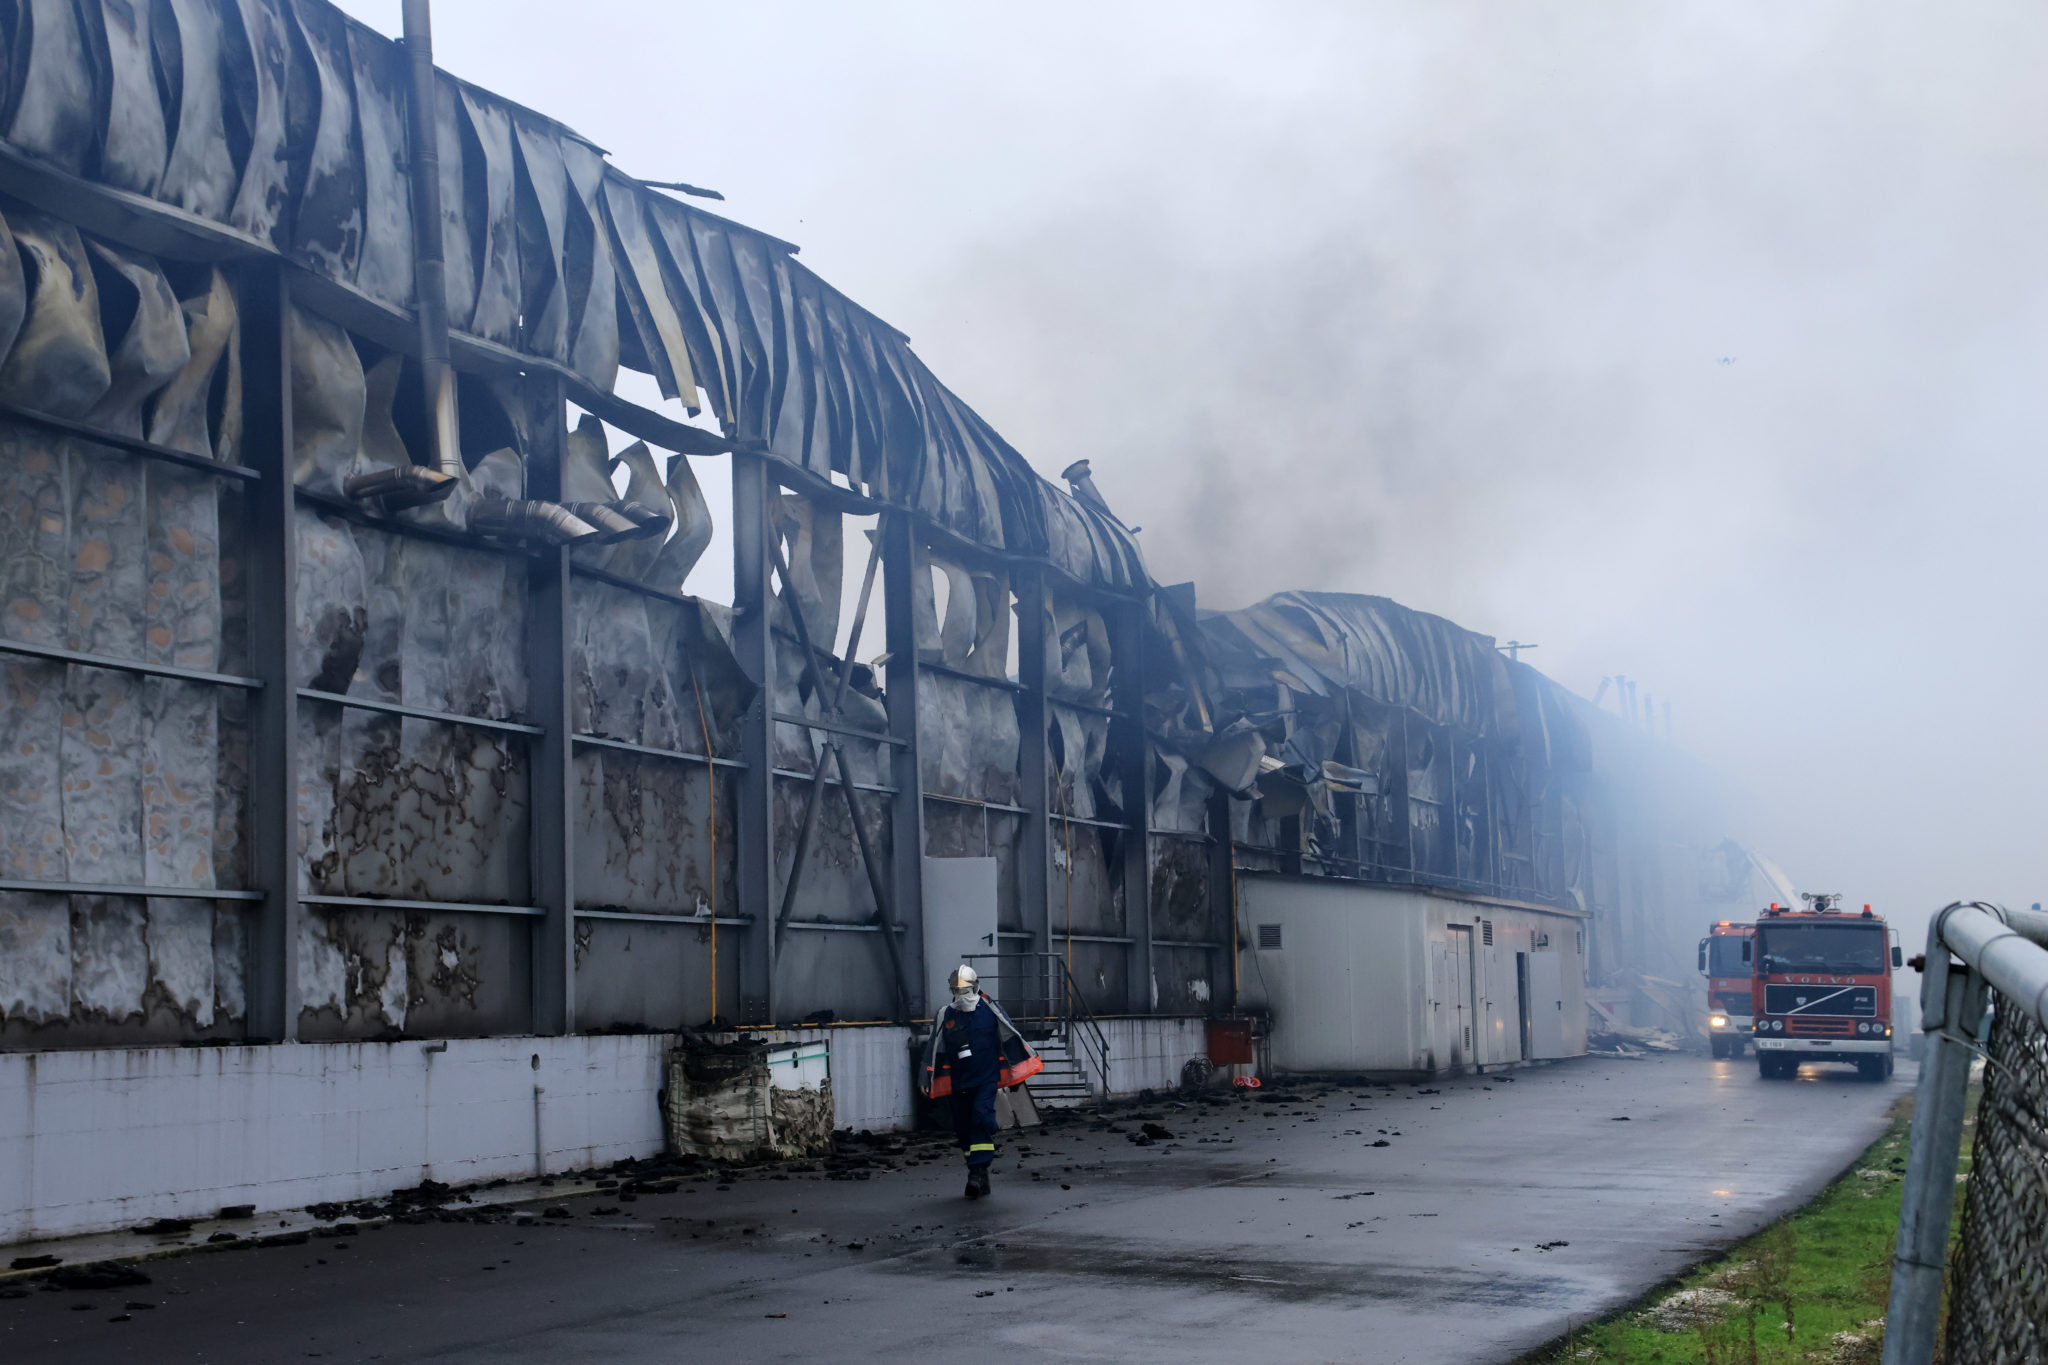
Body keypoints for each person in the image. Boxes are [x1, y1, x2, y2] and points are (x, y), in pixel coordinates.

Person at [919, 964, 1041, 1198]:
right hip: (959, 1080)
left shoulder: (990, 1009)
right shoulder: (946, 1014)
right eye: (957, 990)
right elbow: (933, 1047)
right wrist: (925, 1075)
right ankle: (977, 1171)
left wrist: (1015, 1073)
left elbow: (1010, 1036)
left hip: (986, 1078)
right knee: (963, 1128)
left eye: (964, 989)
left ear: (975, 987)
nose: (961, 995)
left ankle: (977, 1171)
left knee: (980, 1116)